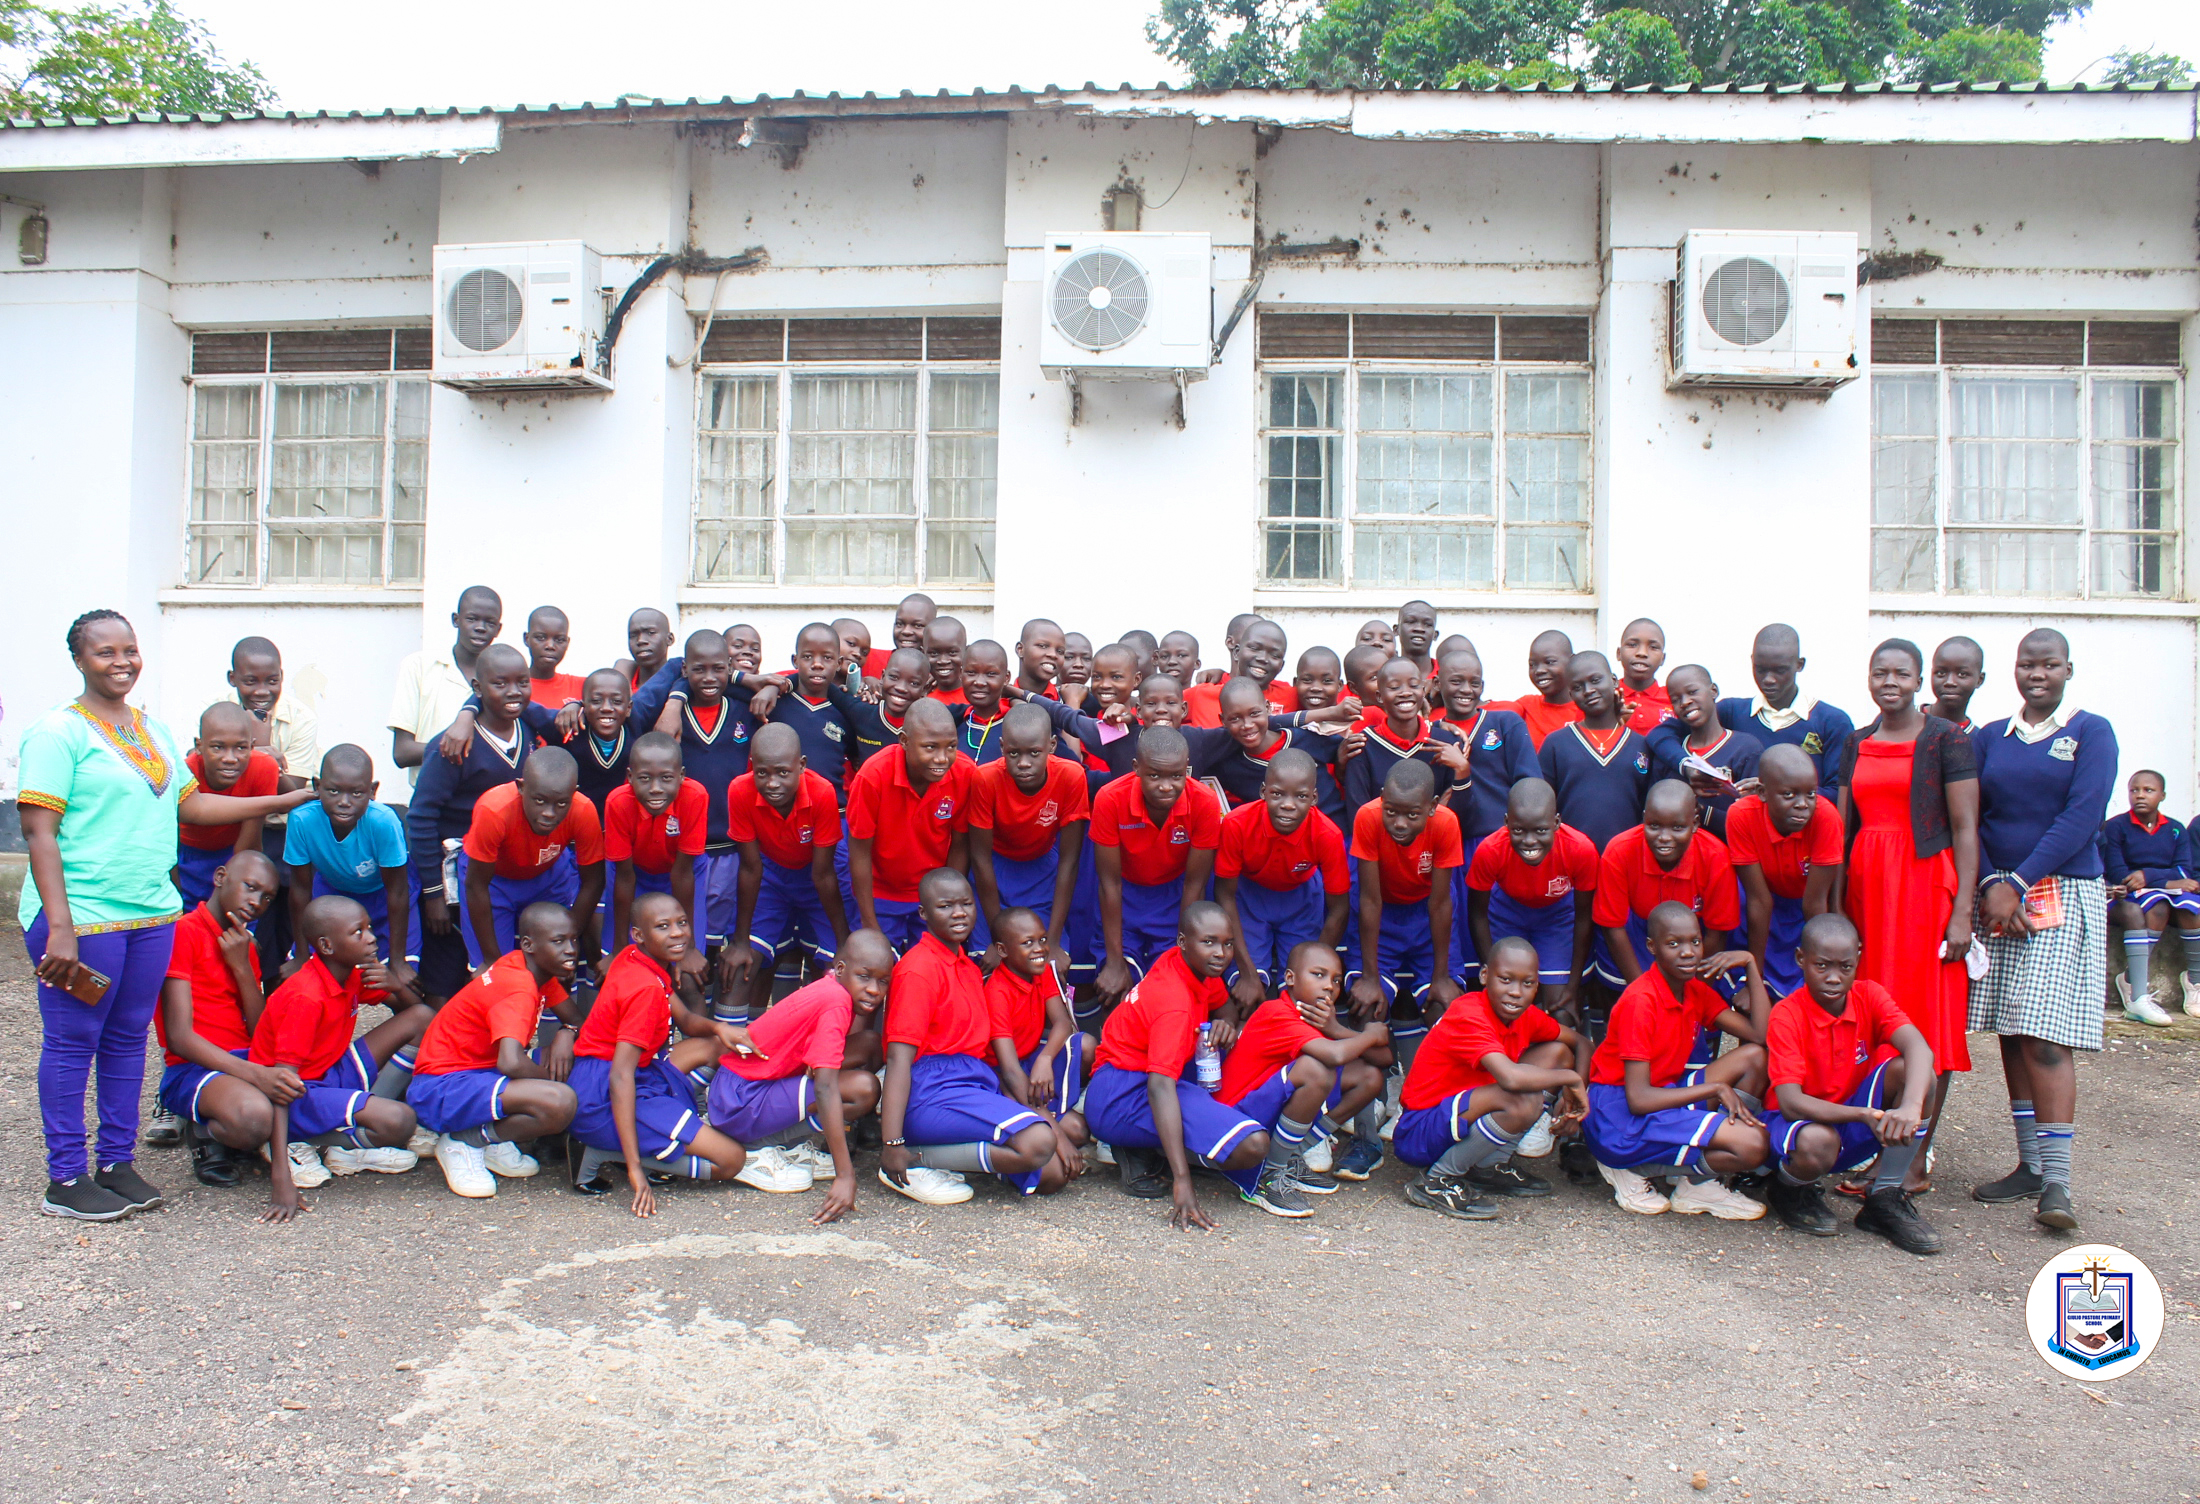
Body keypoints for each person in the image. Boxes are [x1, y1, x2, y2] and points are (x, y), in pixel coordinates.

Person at [19, 610, 314, 1220]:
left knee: (129, 1039)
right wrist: (60, 927)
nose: (121, 662)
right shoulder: (57, 733)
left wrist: (285, 797)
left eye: (129, 649)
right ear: (79, 660)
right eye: (105, 652)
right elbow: (38, 833)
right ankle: (66, 1177)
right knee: (74, 1042)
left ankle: (116, 1163)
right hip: (85, 916)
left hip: (151, 913)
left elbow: (194, 805)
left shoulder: (151, 731)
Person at [1968, 628, 2116, 1232]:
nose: (2037, 674)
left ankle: (2058, 1182)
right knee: (2012, 1029)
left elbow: (2083, 816)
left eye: (2049, 665)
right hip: (1997, 897)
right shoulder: (1991, 737)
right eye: (2028, 664)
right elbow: (1970, 815)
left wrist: (2019, 881)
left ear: (2068, 670)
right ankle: (2029, 1165)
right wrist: (1989, 884)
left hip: (2060, 893)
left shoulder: (2091, 732)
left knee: (2045, 1036)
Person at [1835, 638, 1977, 1196]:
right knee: (1876, 1018)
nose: (1889, 682)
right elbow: (1843, 829)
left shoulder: (1945, 739)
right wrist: (1838, 908)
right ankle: (1879, 1149)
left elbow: (1965, 829)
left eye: (1901, 673)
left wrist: (1962, 912)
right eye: (1880, 673)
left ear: (1919, 681)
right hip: (1869, 890)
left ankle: (1911, 1162)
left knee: (1927, 1019)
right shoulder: (1856, 741)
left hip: (1923, 889)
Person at [567, 891, 807, 1213]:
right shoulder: (644, 990)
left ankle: (671, 1136)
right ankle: (606, 1152)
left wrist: (720, 1028)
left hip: (620, 1073)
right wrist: (635, 1170)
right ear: (638, 934)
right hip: (605, 1094)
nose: (678, 933)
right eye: (663, 926)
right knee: (731, 1160)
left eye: (682, 922)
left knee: (718, 1045)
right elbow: (620, 1077)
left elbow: (685, 1019)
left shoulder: (636, 957)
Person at [1756, 914, 1942, 1254]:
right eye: (1822, 966)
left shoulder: (1869, 995)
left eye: (1845, 967)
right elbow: (1791, 1103)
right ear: (1801, 959)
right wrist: (1863, 1115)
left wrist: (1910, 1107)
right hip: (1799, 1127)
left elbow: (1919, 1047)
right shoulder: (1786, 1014)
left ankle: (1884, 1197)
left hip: (1852, 1119)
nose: (1833, 977)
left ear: (1858, 958)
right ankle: (1788, 1188)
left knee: (1920, 1076)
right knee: (1819, 1141)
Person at [876, 870, 1062, 1204]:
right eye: (945, 906)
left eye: (966, 904)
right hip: (932, 1091)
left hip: (972, 1081)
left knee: (1050, 1175)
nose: (959, 913)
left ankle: (953, 1155)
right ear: (924, 913)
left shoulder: (967, 967)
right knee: (1039, 1143)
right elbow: (898, 1059)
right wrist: (892, 1143)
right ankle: (912, 1159)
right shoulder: (919, 969)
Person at [1084, 903, 1275, 1228]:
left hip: (1132, 1078)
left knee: (1232, 1067)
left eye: (1228, 943)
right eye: (1209, 942)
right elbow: (1160, 1087)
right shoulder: (1175, 1004)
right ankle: (1142, 1148)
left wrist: (1225, 1023)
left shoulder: (1188, 965)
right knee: (1252, 1146)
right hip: (1121, 1095)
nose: (1221, 953)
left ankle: (1146, 1149)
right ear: (1183, 941)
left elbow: (1224, 1007)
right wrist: (1183, 1181)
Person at [1581, 904, 1771, 1220]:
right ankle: (1626, 1166)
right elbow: (1638, 1099)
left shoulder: (1693, 990)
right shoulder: (1640, 1001)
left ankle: (1695, 1186)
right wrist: (1715, 1089)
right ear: (1652, 947)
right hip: (1618, 1115)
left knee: (1755, 1058)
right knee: (1752, 1145)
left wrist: (1751, 965)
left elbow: (1759, 1035)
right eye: (1673, 944)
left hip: (1661, 1095)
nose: (1687, 952)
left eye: (1695, 942)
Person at [250, 896, 433, 1218]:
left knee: (422, 1018)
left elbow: (414, 1013)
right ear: (326, 945)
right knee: (399, 1122)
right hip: (299, 1093)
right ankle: (295, 1142)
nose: (372, 938)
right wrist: (281, 1178)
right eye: (358, 932)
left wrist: (396, 985)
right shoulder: (306, 996)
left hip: (330, 1071)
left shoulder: (349, 972)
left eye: (369, 927)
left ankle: (346, 1142)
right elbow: (281, 1084)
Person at [1394, 936, 1590, 1219]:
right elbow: (1510, 1079)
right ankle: (1436, 1180)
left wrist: (1575, 1097)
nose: (1516, 992)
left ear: (1537, 986)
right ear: (1485, 976)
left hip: (1465, 1112)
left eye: (1527, 983)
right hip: (1420, 1132)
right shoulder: (1469, 1013)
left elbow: (1581, 1043)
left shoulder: (1525, 1016)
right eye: (1506, 980)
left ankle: (1488, 1167)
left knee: (1557, 1054)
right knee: (1520, 1101)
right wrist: (1571, 1080)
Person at [707, 930, 894, 1226]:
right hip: (740, 1099)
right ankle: (756, 1147)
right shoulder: (836, 1001)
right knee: (864, 1089)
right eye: (864, 976)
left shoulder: (833, 988)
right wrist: (845, 1176)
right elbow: (825, 1087)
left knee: (870, 1044)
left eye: (883, 981)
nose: (873, 989)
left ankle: (787, 1141)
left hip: (748, 1086)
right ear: (840, 969)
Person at [408, 903, 584, 1199]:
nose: (570, 950)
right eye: (558, 941)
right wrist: (549, 1085)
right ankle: (465, 1142)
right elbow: (511, 1063)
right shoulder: (519, 987)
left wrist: (567, 1033)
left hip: (478, 1075)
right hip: (440, 1089)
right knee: (560, 1101)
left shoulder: (533, 970)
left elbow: (578, 1022)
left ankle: (489, 1138)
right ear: (528, 944)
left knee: (575, 1061)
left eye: (574, 939)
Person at [1212, 941, 1390, 1217]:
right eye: (1318, 975)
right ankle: (1268, 1176)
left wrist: (1336, 1029)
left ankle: (1289, 1158)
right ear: (1290, 978)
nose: (1329, 986)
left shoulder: (1317, 1017)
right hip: (1234, 1122)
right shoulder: (1277, 1011)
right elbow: (1335, 1055)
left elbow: (1384, 1059)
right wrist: (1369, 1035)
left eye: (1336, 980)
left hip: (1263, 1115)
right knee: (1315, 1070)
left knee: (1368, 1077)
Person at [405, 643, 539, 1003]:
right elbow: (420, 818)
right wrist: (433, 893)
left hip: (503, 872)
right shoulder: (452, 745)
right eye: (500, 683)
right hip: (455, 875)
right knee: (448, 971)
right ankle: (442, 1035)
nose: (514, 692)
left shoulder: (529, 727)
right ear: (477, 689)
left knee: (494, 964)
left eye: (522, 682)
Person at [156, 851, 288, 1189]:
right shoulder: (182, 932)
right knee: (255, 1118)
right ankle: (204, 1134)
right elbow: (179, 1038)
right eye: (250, 887)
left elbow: (259, 1031)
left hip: (244, 1060)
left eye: (267, 897)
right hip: (193, 1068)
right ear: (219, 878)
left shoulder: (243, 943)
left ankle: (237, 1128)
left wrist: (242, 967)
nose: (257, 902)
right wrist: (255, 1074)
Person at [1346, 760, 1466, 1106]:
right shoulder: (1368, 817)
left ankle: (1431, 1096)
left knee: (1445, 1005)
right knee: (1365, 1003)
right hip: (1381, 914)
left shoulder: (1446, 823)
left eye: (1412, 815)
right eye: (1392, 811)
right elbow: (1370, 901)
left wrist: (1441, 977)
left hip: (1427, 915)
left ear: (1432, 807)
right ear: (1383, 798)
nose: (1399, 823)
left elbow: (1440, 904)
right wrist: (1370, 977)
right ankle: (1375, 1096)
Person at [1090, 727, 1224, 1003]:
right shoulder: (1110, 797)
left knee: (1172, 986)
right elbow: (1109, 884)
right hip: (1123, 895)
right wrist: (1114, 961)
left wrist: (1183, 952)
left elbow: (1194, 884)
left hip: (1176, 897)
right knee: (1116, 987)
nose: (1165, 786)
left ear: (1187, 769)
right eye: (1154, 775)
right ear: (1136, 768)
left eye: (1176, 776)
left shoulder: (1204, 801)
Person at [724, 723, 850, 1011]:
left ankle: (818, 1033)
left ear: (801, 765)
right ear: (752, 766)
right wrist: (740, 941)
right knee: (744, 966)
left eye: (783, 772)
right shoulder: (739, 790)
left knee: (832, 966)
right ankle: (737, 1037)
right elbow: (750, 868)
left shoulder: (822, 792)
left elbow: (823, 874)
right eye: (762, 773)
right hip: (770, 877)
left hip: (816, 880)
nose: (772, 783)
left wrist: (844, 942)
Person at [1215, 750, 1349, 1013]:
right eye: (1277, 794)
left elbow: (1340, 908)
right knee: (1247, 991)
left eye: (1301, 796)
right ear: (1263, 792)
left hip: (1302, 901)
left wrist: (1317, 964)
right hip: (1247, 900)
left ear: (1314, 798)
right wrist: (1248, 973)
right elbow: (1224, 894)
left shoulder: (1327, 834)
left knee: (1302, 992)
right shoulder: (1236, 824)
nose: (1288, 805)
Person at [457, 747, 606, 972]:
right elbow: (476, 885)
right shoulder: (494, 810)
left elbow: (593, 881)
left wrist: (568, 938)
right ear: (521, 787)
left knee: (553, 967)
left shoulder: (583, 810)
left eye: (561, 803)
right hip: (492, 882)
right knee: (496, 973)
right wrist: (491, 959)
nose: (549, 813)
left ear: (573, 794)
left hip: (548, 877)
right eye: (539, 800)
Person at [1463, 779, 1599, 1028]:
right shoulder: (1490, 850)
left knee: (1560, 1010)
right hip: (1507, 914)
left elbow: (1583, 919)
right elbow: (1477, 915)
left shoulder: (1580, 849)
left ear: (1556, 822)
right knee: (1505, 1003)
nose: (1529, 841)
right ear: (1506, 822)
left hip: (1558, 917)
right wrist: (1491, 970)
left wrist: (1573, 985)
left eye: (1541, 831)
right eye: (1518, 831)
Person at [222, 636, 318, 976]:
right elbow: (215, 782)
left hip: (285, 833)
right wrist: (260, 752)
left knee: (282, 934)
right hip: (235, 831)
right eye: (251, 681)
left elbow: (295, 795)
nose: (262, 691)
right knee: (240, 926)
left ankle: (277, 998)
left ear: (281, 677)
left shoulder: (301, 719)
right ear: (233, 678)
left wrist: (260, 759)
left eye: (272, 681)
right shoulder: (217, 713)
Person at [845, 697, 973, 952]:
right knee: (876, 963)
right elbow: (859, 852)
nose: (942, 758)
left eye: (951, 746)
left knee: (932, 966)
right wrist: (869, 923)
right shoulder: (873, 776)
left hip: (933, 895)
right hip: (880, 892)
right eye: (930, 747)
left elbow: (960, 845)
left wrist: (948, 903)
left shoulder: (964, 773)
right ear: (904, 741)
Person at [1591, 781, 1741, 991]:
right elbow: (1613, 927)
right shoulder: (1619, 851)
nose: (1664, 838)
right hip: (1637, 932)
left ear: (1695, 824)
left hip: (1692, 939)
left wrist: (1694, 992)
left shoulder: (1716, 857)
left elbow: (1716, 934)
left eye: (1678, 828)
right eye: (1654, 826)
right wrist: (1641, 991)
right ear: (1644, 819)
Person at [967, 704, 1089, 960]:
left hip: (1043, 869)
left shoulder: (1071, 775)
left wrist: (1053, 939)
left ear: (1052, 746)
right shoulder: (985, 778)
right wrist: (997, 938)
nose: (1023, 763)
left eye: (1034, 753)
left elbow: (1069, 861)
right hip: (993, 871)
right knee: (990, 961)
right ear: (1002, 747)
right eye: (1013, 753)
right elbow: (980, 858)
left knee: (1042, 958)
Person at [983, 907, 1095, 1187]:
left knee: (1079, 1130)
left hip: (1030, 1063)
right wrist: (1058, 1136)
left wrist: (1045, 1059)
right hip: (1000, 1078)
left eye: (1042, 940)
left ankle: (1054, 1111)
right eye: (1027, 943)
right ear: (1002, 950)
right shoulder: (997, 992)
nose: (1039, 949)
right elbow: (1009, 1072)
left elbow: (1062, 1023)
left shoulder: (1040, 970)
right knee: (1062, 1153)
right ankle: (1017, 1142)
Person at [1726, 744, 1842, 998]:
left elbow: (1815, 904)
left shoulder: (1826, 817)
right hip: (1762, 909)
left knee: (1806, 988)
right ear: (1762, 793)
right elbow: (1759, 901)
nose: (1803, 805)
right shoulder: (1741, 816)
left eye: (1811, 794)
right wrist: (1753, 980)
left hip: (1808, 909)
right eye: (1789, 795)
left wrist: (1818, 974)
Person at [283, 745, 412, 973]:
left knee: (397, 979)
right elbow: (300, 889)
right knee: (314, 972)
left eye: (356, 793)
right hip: (331, 894)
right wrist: (302, 955)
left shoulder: (383, 822)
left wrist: (398, 961)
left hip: (383, 896)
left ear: (372, 791)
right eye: (333, 791)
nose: (344, 801)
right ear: (317, 786)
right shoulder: (302, 820)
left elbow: (398, 891)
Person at [603, 732, 707, 976]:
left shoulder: (695, 796)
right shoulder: (618, 802)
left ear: (681, 776)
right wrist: (618, 948)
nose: (655, 789)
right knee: (623, 964)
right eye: (644, 778)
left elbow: (683, 873)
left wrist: (690, 947)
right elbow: (624, 877)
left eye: (666, 778)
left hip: (683, 874)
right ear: (630, 777)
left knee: (685, 965)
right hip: (633, 875)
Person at [2102, 769, 2200, 1022]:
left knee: (2191, 907)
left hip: (2164, 888)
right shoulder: (2116, 827)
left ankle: (2195, 981)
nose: (2140, 795)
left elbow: (2184, 871)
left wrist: (2149, 876)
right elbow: (2118, 872)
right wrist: (2164, 880)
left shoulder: (2175, 829)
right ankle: (2132, 981)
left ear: (2162, 795)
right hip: (2131, 894)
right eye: (2134, 790)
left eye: (2148, 790)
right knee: (2158, 907)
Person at [1715, 623, 1855, 798]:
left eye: (1780, 670)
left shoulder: (1832, 722)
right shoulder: (1730, 713)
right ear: (1752, 661)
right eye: (1760, 669)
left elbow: (1839, 794)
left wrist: (1774, 792)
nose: (1769, 679)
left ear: (1799, 665)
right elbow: (1682, 738)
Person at [1536, 651, 1652, 852]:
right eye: (1577, 687)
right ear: (1570, 694)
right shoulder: (1556, 743)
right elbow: (1542, 806)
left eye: (1595, 680)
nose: (1588, 690)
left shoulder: (1641, 745)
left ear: (1614, 681)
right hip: (1570, 857)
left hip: (1627, 857)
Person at [390, 586, 503, 784]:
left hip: (487, 796)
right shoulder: (419, 667)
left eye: (490, 622)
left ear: (498, 629)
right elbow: (402, 753)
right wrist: (459, 747)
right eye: (472, 619)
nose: (480, 627)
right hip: (431, 795)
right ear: (456, 620)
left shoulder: (505, 677)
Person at [174, 702, 280, 906]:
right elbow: (170, 840)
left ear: (252, 746)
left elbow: (250, 842)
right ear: (199, 746)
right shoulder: (186, 773)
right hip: (186, 856)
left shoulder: (263, 768)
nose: (230, 759)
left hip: (234, 854)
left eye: (241, 747)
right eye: (218, 747)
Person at [1645, 665, 1761, 839]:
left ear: (1713, 691)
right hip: (1672, 852)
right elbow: (1650, 815)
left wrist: (1702, 812)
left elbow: (1752, 825)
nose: (1685, 702)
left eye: (1692, 692)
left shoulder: (1746, 749)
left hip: (1726, 853)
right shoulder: (1668, 755)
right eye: (1675, 699)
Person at [1342, 658, 1457, 814]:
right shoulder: (1362, 747)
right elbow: (1358, 814)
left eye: (1414, 685)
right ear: (1379, 696)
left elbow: (1458, 812)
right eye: (1394, 687)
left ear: (1423, 690)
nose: (1405, 692)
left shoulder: (1446, 743)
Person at [765, 622, 860, 798]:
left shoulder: (846, 710)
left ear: (839, 663)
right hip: (783, 806)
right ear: (795, 660)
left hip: (833, 807)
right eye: (808, 657)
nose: (817, 664)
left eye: (827, 658)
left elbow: (857, 757)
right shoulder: (775, 703)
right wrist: (771, 686)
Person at [1183, 619, 1296, 727]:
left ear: (1281, 666)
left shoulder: (1292, 696)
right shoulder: (1202, 694)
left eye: (1275, 655)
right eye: (1255, 648)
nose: (1263, 658)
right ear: (1237, 652)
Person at [1503, 630, 1584, 749]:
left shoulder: (1586, 707)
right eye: (1532, 664)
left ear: (1571, 661)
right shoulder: (1526, 706)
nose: (1539, 670)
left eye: (1549, 662)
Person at [955, 641, 1017, 763]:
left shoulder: (1017, 726)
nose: (979, 682)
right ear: (961, 674)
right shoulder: (952, 724)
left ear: (1006, 678)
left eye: (991, 674)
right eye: (971, 672)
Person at [521, 605, 587, 716]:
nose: (550, 646)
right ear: (526, 639)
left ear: (567, 643)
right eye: (541, 638)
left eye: (559, 640)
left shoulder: (583, 687)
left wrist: (578, 704)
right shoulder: (511, 687)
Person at [1614, 618, 1671, 735]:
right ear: (1619, 653)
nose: (1642, 653)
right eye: (1632, 645)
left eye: (1653, 647)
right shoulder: (1605, 697)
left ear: (1663, 659)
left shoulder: (1674, 699)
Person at [1927, 636, 1986, 732]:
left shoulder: (1978, 738)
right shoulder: (1905, 720)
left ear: (1980, 680)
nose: (1950, 682)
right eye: (1941, 673)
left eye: (1962, 674)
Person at [618, 607, 675, 694]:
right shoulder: (617, 685)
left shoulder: (681, 685)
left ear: (670, 639)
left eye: (651, 633)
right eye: (633, 635)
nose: (640, 640)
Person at [1014, 618, 1068, 699]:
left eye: (1060, 651)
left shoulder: (1067, 699)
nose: (1053, 655)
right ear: (1020, 649)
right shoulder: (999, 699)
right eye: (1042, 646)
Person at [924, 616, 970, 706]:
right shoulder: (922, 699)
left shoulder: (977, 698)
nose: (943, 661)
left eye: (952, 652)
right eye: (934, 653)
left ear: (966, 652)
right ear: (923, 653)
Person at [1395, 601, 1438, 682]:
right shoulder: (1383, 674)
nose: (1419, 629)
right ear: (1396, 630)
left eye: (1427, 624)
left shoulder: (1446, 675)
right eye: (1410, 622)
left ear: (1435, 635)